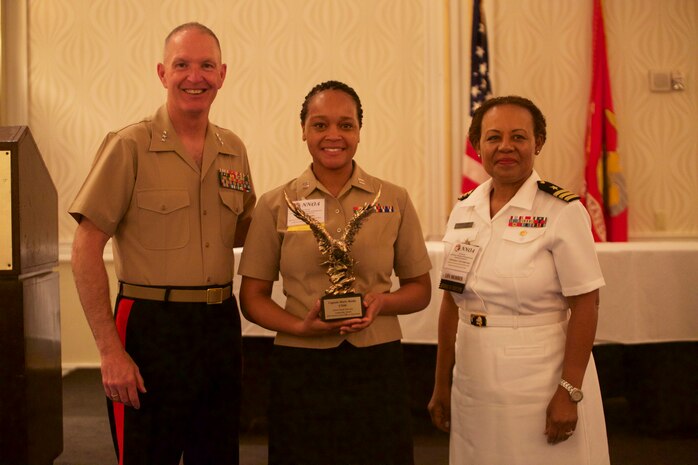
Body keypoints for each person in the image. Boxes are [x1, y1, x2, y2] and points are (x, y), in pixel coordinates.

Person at [69, 22, 255, 465]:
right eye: (182, 65)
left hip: (219, 325)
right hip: (150, 327)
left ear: (223, 74)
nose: (196, 76)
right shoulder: (128, 145)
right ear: (162, 73)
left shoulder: (233, 149)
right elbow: (85, 246)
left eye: (207, 65)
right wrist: (110, 351)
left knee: (218, 455)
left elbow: (248, 232)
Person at [238, 80, 432, 465]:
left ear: (359, 132)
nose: (333, 135)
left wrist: (382, 302)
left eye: (346, 125)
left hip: (377, 361)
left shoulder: (393, 199)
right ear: (304, 131)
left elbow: (420, 290)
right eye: (320, 124)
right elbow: (252, 298)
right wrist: (299, 327)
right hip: (301, 364)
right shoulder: (277, 203)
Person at [428, 96, 610, 465]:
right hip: (473, 378)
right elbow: (451, 301)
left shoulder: (562, 210)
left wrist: (569, 390)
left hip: (539, 379)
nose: (505, 146)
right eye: (493, 137)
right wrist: (441, 382)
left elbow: (586, 304)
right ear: (477, 146)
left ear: (538, 143)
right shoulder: (464, 209)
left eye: (519, 137)